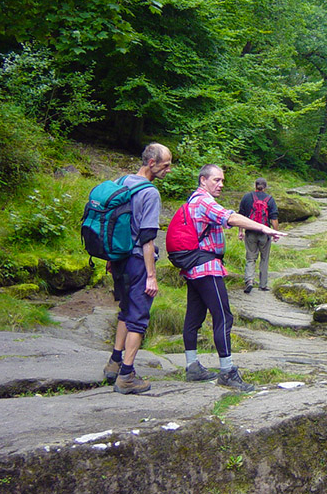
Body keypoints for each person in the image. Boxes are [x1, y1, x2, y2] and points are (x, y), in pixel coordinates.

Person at [180, 164, 286, 391]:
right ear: (203, 180)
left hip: (193, 267)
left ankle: (192, 366)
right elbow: (229, 217)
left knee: (194, 316)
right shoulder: (204, 201)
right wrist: (264, 228)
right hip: (207, 267)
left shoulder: (192, 200)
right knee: (223, 316)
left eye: (222, 181)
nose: (220, 184)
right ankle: (227, 372)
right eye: (216, 180)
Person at [103, 142, 173, 394]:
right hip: (137, 262)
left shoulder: (121, 182)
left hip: (118, 259)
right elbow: (147, 239)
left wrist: (110, 258)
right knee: (138, 318)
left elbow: (111, 224)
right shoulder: (150, 193)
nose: (169, 170)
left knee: (125, 310)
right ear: (152, 163)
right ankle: (126, 376)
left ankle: (114, 363)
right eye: (166, 165)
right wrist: (151, 276)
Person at [238, 177, 279, 294]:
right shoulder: (270, 199)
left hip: (250, 232)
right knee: (264, 259)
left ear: (255, 186)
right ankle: (263, 285)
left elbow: (241, 216)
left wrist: (240, 232)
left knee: (250, 258)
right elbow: (274, 218)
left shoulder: (247, 197)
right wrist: (275, 233)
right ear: (265, 187)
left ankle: (249, 281)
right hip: (265, 233)